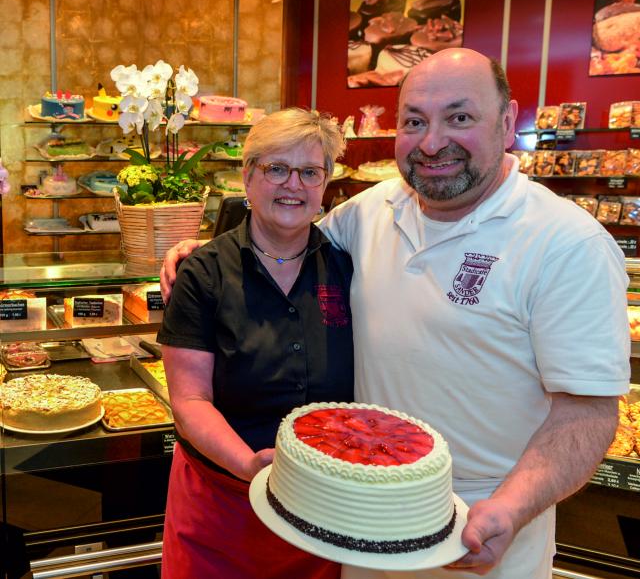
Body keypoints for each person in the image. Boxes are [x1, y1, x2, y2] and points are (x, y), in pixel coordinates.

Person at [161, 49, 630, 578]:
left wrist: (513, 506)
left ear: (506, 123)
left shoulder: (567, 243)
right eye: (414, 121)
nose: (433, 142)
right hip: (361, 522)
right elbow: (281, 237)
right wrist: (204, 253)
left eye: (459, 117)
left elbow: (587, 412)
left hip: (482, 531)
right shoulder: (370, 212)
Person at [157, 108, 354, 579]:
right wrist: (248, 464)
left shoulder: (348, 267)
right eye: (276, 169)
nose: (294, 185)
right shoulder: (203, 272)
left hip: (318, 508)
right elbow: (189, 399)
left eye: (310, 172)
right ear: (248, 177)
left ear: (325, 184)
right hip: (220, 508)